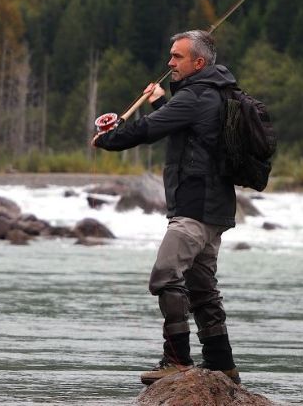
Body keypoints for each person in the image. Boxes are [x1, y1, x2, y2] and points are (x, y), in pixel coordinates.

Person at [92, 30, 241, 385]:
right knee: (202, 287)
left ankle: (176, 361)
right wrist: (162, 101)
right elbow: (188, 129)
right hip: (214, 208)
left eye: (177, 57)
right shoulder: (215, 94)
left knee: (165, 275)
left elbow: (146, 129)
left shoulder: (195, 96)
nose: (169, 63)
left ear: (198, 63)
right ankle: (223, 365)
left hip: (194, 206)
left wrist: (109, 139)